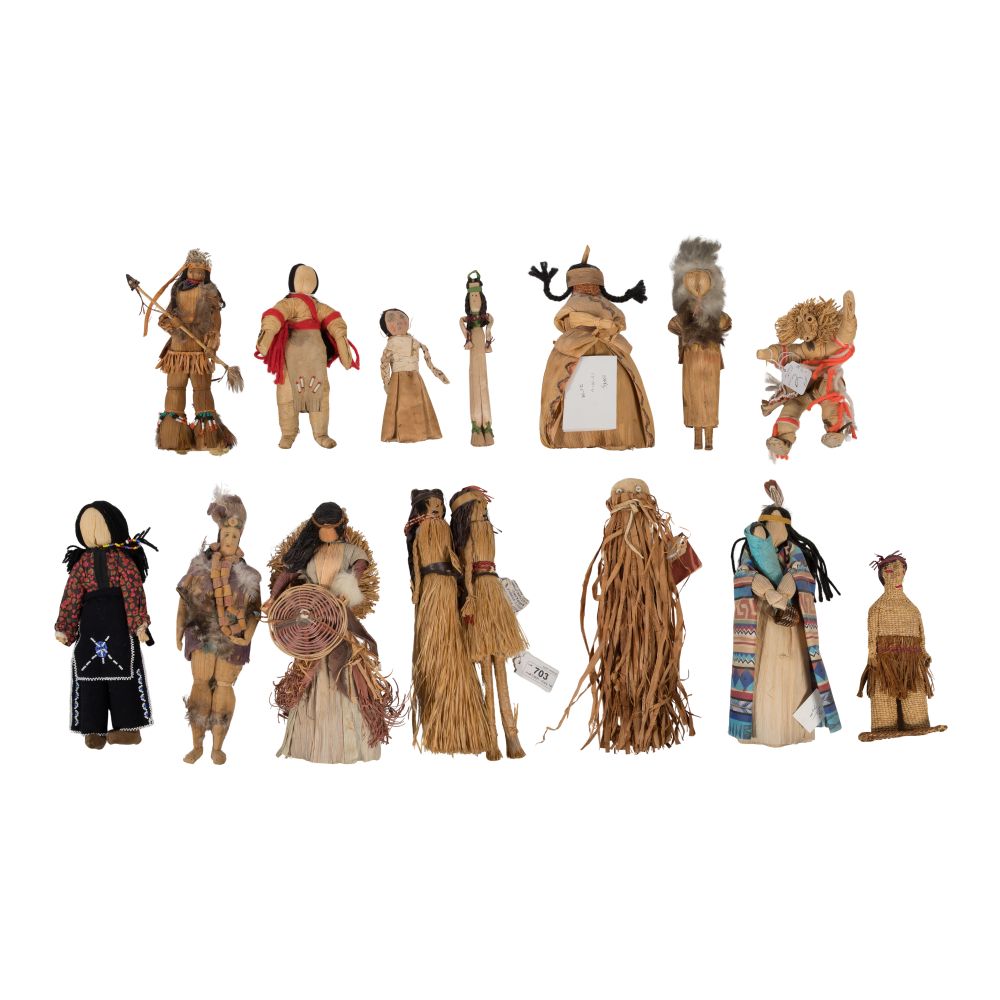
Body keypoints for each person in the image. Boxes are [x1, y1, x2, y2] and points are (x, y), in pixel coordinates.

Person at [269, 503, 401, 764]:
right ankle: (309, 741)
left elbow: (361, 563)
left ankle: (351, 741)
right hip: (311, 622)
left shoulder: (350, 550)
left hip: (338, 620)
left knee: (349, 668)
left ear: (340, 527)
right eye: (323, 528)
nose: (327, 533)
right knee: (309, 669)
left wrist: (351, 581)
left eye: (332, 528)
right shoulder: (309, 552)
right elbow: (289, 573)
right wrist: (273, 598)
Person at [729, 482, 841, 746]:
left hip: (793, 625)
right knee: (763, 673)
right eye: (770, 526)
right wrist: (768, 592)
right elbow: (743, 574)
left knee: (794, 673)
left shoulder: (795, 551)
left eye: (779, 527)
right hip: (762, 623)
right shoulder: (751, 550)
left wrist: (785, 590)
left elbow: (802, 573)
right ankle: (761, 728)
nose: (775, 532)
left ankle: (796, 729)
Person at [530, 246, 653, 449]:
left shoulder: (608, 307)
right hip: (575, 347)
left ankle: (620, 435)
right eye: (583, 284)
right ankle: (569, 436)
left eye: (592, 284)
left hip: (608, 346)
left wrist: (607, 328)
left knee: (620, 394)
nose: (588, 288)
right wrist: (599, 324)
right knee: (567, 390)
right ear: (573, 286)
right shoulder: (572, 306)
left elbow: (618, 321)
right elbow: (570, 319)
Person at [55, 501, 156, 748]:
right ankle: (93, 730)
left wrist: (139, 624)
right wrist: (66, 627)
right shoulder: (81, 564)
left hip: (119, 626)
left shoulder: (123, 560)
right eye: (86, 527)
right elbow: (72, 596)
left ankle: (129, 729)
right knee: (89, 677)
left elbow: (133, 591)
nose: (92, 533)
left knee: (125, 678)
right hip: (90, 630)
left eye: (97, 526)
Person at [406, 489, 494, 755]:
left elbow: (454, 553)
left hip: (447, 589)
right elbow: (416, 559)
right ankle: (442, 730)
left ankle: (470, 729)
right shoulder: (421, 530)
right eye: (431, 505)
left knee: (457, 646)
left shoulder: (445, 528)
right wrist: (417, 590)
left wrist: (461, 586)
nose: (436, 509)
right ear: (421, 509)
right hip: (432, 592)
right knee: (435, 651)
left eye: (439, 505)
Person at [176, 490, 261, 765]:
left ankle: (217, 747)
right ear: (219, 534)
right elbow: (184, 599)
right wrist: (178, 628)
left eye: (235, 536)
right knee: (200, 682)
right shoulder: (199, 566)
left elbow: (255, 611)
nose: (229, 539)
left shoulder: (249, 576)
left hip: (233, 637)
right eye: (226, 534)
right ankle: (196, 745)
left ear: (240, 538)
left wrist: (247, 634)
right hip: (201, 632)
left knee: (224, 685)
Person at [450, 486, 526, 759]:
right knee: (486, 668)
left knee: (500, 666)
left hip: (494, 593)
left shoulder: (486, 531)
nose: (484, 511)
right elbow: (467, 571)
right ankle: (492, 740)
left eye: (485, 508)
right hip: (481, 598)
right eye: (479, 508)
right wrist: (470, 598)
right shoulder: (469, 538)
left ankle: (512, 737)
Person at [256, 264, 357, 449]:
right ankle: (288, 433)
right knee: (287, 394)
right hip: (291, 358)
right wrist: (268, 333)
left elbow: (335, 320)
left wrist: (340, 336)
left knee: (320, 393)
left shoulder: (317, 306)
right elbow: (275, 315)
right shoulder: (289, 303)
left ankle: (321, 434)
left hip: (315, 359)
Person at [153, 249, 236, 454]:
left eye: (200, 272)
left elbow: (215, 321)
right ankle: (175, 438)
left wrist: (212, 343)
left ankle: (208, 440)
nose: (196, 275)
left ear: (206, 274)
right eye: (193, 271)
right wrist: (173, 323)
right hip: (177, 352)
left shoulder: (210, 292)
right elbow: (164, 319)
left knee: (202, 392)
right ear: (186, 271)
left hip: (199, 352)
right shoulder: (177, 291)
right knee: (175, 390)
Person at [857, 552, 947, 741]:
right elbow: (871, 638)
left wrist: (924, 654)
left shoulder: (913, 609)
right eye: (889, 570)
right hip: (884, 665)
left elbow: (921, 637)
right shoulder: (876, 609)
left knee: (915, 704)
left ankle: (917, 725)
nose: (895, 573)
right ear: (883, 574)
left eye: (900, 569)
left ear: (905, 573)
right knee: (883, 705)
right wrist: (872, 657)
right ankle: (884, 727)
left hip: (911, 665)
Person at [667, 238, 731, 450]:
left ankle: (709, 438)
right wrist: (687, 324)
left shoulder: (715, 312)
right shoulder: (685, 313)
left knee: (710, 398)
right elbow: (672, 325)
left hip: (710, 358)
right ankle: (696, 437)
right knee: (694, 396)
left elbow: (726, 323)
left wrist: (711, 313)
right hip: (692, 359)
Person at [380, 309, 449, 442]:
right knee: (401, 405)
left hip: (415, 377)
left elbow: (426, 355)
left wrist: (436, 371)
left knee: (419, 403)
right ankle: (403, 433)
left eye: (401, 317)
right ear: (386, 328)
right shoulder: (391, 344)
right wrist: (386, 381)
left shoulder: (414, 341)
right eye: (391, 319)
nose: (398, 321)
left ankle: (422, 430)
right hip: (398, 380)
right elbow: (384, 363)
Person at [460, 271, 495, 446]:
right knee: (475, 379)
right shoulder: (467, 319)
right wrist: (467, 338)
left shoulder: (484, 318)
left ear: (482, 299)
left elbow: (490, 324)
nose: (475, 299)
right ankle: (476, 427)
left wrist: (488, 335)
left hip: (480, 339)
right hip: (473, 341)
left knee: (483, 381)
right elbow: (461, 322)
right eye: (472, 296)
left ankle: (486, 427)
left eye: (477, 296)